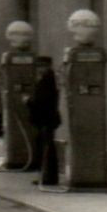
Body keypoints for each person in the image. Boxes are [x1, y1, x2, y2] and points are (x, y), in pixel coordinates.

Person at [28, 63, 64, 191]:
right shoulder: (52, 81)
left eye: (40, 67)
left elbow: (40, 102)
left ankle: (46, 177)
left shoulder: (45, 82)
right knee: (47, 147)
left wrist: (28, 102)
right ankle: (47, 176)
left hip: (45, 120)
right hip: (49, 119)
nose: (38, 69)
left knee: (45, 148)